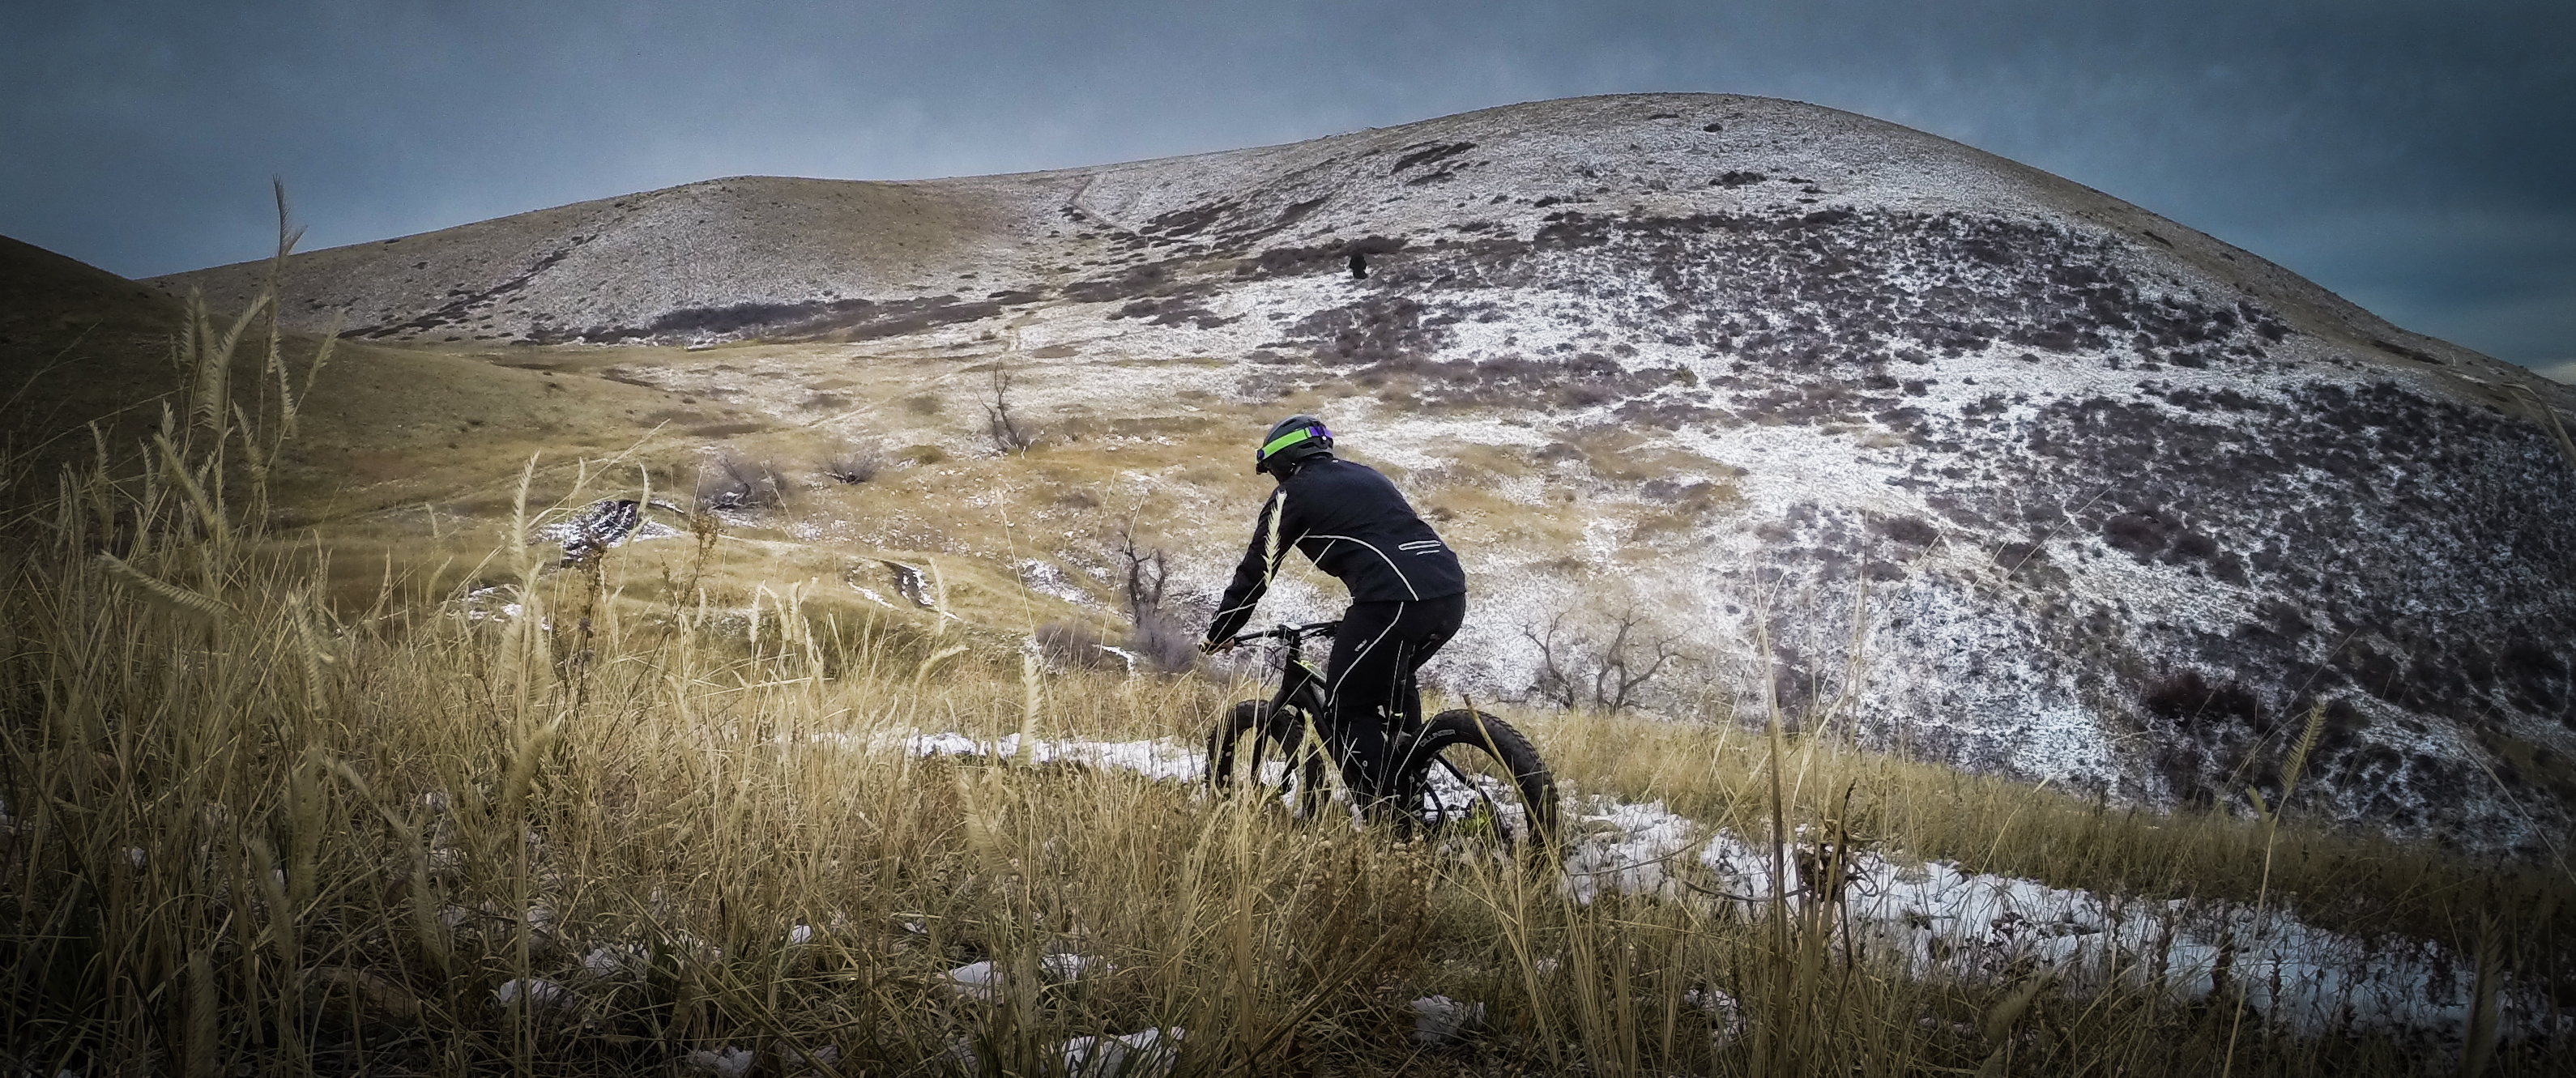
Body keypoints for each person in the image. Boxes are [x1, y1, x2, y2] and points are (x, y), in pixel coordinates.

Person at [1201, 414, 1467, 799]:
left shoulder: (1292, 494)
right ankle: (1410, 779)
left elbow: (1255, 572)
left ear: (1282, 461)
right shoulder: (1367, 475)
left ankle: (1388, 813)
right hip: (1449, 594)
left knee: (1345, 707)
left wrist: (1220, 633)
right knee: (1395, 681)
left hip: (1391, 602)